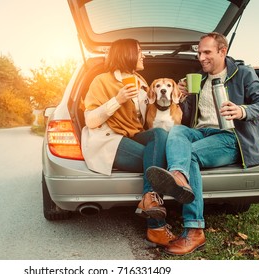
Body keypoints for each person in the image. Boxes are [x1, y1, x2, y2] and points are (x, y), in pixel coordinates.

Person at [146, 32, 259, 255]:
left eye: (207, 52)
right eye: (199, 53)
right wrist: (183, 98)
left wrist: (242, 110)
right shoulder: (199, 78)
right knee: (177, 131)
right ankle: (179, 175)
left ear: (222, 51)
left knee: (191, 154)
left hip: (230, 136)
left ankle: (194, 230)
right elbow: (188, 116)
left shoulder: (242, 73)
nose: (201, 57)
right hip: (201, 132)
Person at [81, 38, 194, 247]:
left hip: (133, 135)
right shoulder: (101, 81)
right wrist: (118, 99)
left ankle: (149, 200)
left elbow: (147, 120)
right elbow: (90, 121)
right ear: (127, 54)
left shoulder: (141, 82)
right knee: (158, 161)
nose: (143, 55)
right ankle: (156, 225)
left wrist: (177, 95)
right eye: (139, 51)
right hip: (109, 139)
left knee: (159, 135)